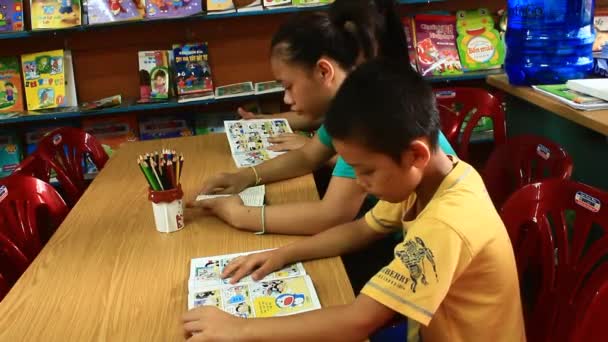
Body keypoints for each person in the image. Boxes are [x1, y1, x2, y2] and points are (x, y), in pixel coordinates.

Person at [183, 59, 525, 342]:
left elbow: (359, 321)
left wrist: (240, 328)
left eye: (366, 171)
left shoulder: (447, 221)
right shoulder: (432, 180)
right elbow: (361, 229)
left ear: (415, 155)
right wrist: (283, 254)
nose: (359, 183)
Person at [195, 2, 456, 237]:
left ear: (323, 71)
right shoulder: (350, 100)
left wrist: (239, 215)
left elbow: (330, 216)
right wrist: (246, 176)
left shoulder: (365, 113)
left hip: (414, 241)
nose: (286, 99)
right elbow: (307, 156)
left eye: (288, 86)